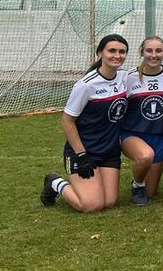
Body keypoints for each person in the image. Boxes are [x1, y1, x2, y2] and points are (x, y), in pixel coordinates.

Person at [42, 35, 130, 213]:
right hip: (84, 152)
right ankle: (55, 182)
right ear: (100, 53)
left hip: (109, 151)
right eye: (112, 51)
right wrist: (82, 155)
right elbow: (67, 121)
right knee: (92, 205)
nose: (117, 55)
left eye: (122, 52)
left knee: (110, 201)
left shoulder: (125, 77)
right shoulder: (86, 85)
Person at [120, 36, 163, 205]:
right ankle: (137, 184)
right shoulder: (128, 77)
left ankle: (141, 182)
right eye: (149, 51)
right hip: (133, 134)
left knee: (150, 192)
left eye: (158, 51)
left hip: (160, 136)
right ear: (142, 53)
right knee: (145, 156)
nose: (154, 55)